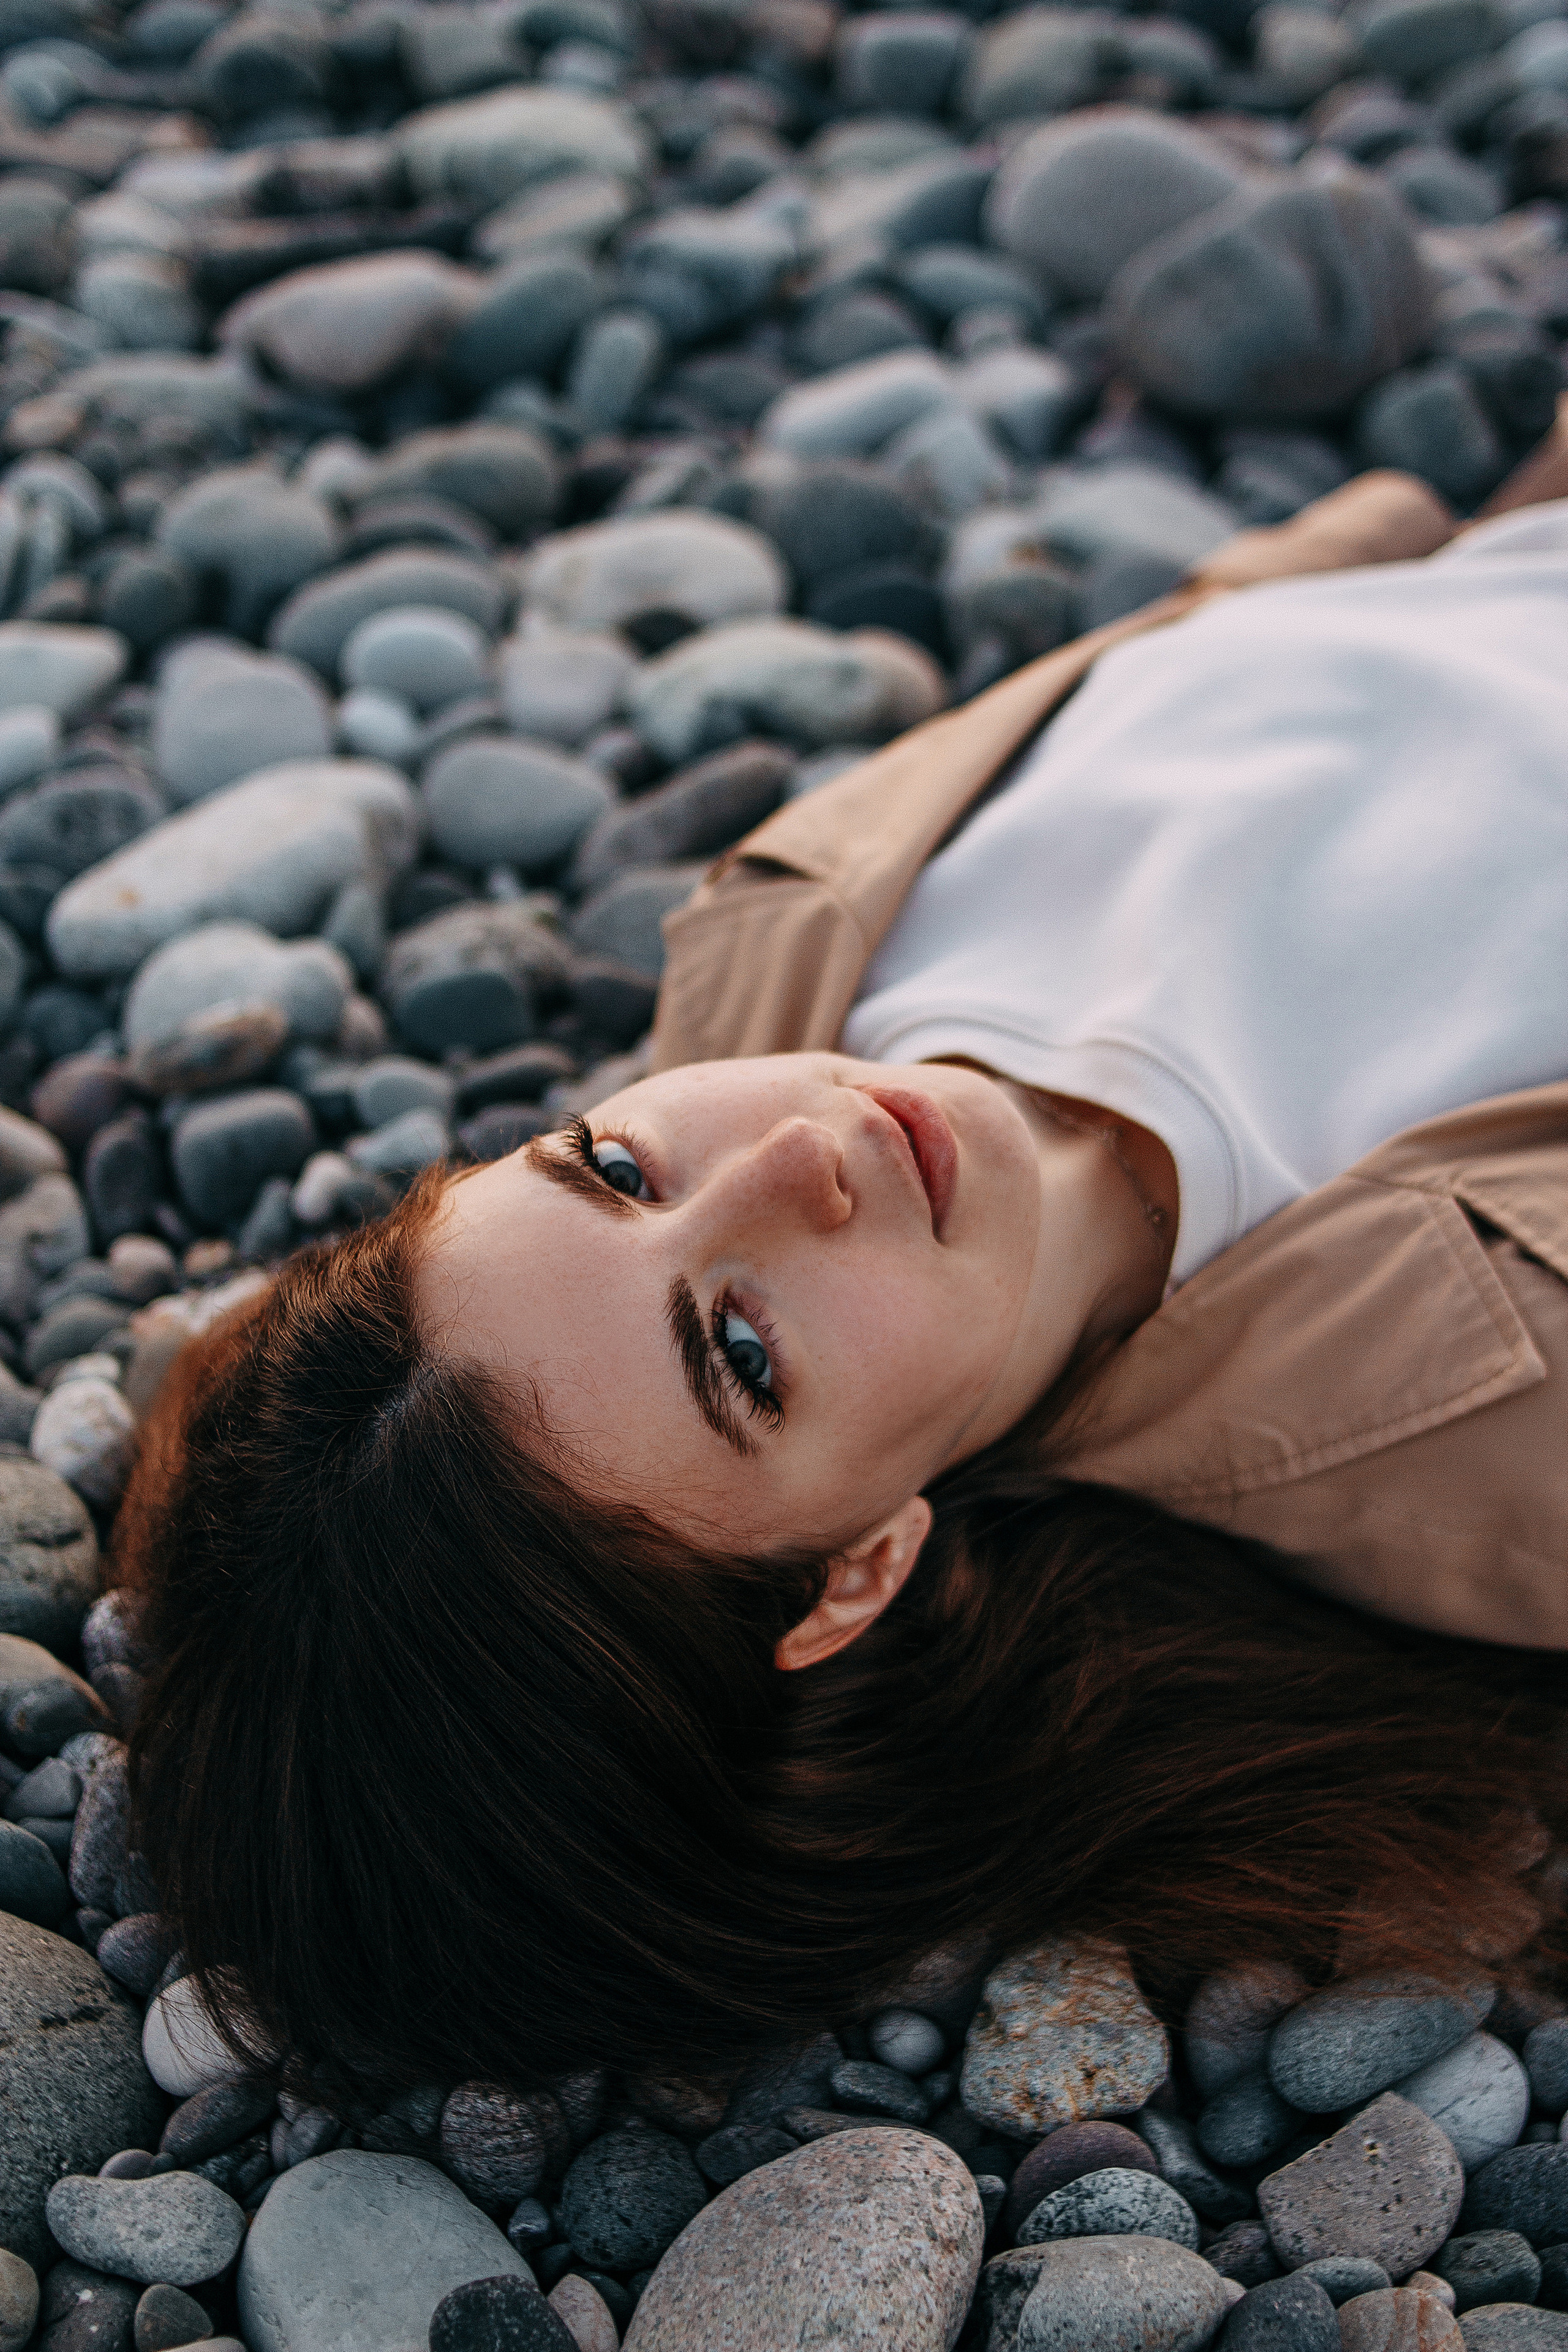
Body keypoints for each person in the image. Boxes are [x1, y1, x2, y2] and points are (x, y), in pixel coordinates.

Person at [121, 447, 1568, 2109]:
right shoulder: (1490, 1414)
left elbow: (1273, 633)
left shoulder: (780, 933)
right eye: (741, 1351)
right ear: (855, 1576)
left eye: (611, 1169)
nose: (793, 1158)